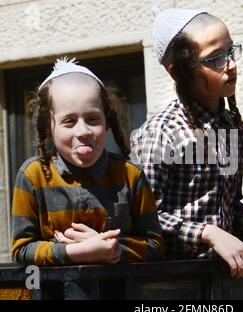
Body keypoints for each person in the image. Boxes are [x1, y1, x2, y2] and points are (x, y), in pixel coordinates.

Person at [130, 8, 243, 278]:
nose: (231, 64)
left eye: (231, 50)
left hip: (225, 281)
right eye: (215, 59)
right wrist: (207, 233)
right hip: (171, 282)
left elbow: (228, 204)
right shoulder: (162, 133)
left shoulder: (234, 129)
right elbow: (144, 219)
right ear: (178, 72)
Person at [11, 58, 164, 266]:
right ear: (48, 127)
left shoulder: (130, 175)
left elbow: (155, 245)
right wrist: (76, 251)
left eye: (92, 119)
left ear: (107, 121)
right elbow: (22, 249)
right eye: (69, 121)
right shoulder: (33, 176)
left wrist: (112, 248)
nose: (82, 131)